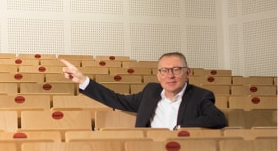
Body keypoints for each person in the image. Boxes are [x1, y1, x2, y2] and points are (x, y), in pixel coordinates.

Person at [61, 52, 227, 129]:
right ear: (158, 75)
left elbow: (218, 119)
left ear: (187, 73)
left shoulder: (200, 96)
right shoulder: (151, 92)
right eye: (164, 70)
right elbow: (117, 100)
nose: (170, 76)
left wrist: (179, 129)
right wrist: (83, 80)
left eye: (176, 69)